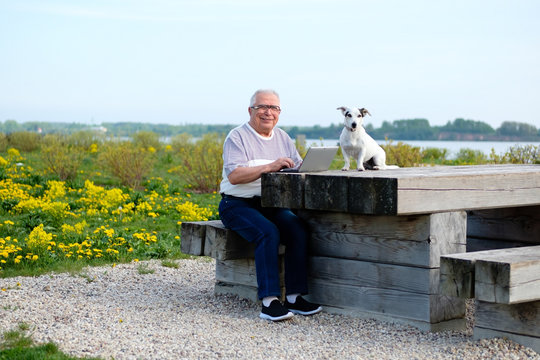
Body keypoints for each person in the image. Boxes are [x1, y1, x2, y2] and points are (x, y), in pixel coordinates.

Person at [218, 89, 322, 321]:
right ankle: (269, 302)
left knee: (297, 228)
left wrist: (305, 168)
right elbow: (235, 176)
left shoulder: (283, 137)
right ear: (250, 111)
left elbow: (296, 167)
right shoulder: (237, 137)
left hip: (271, 205)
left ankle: (294, 298)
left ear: (279, 112)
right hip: (236, 205)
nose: (268, 112)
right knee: (268, 232)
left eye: (273, 108)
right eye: (262, 107)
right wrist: (270, 166)